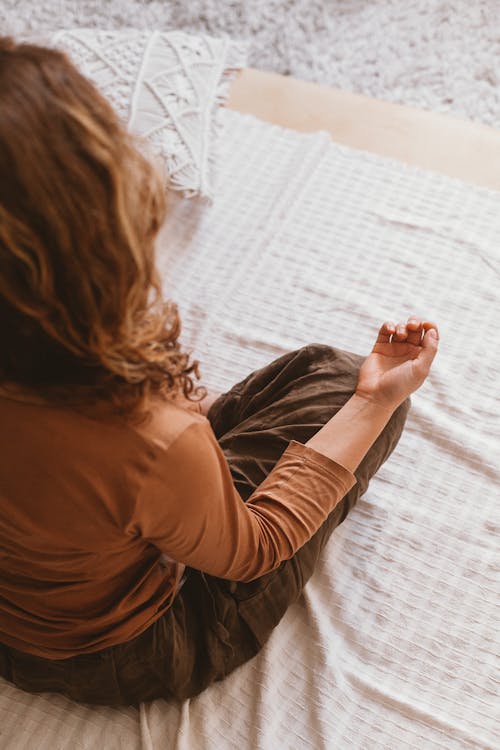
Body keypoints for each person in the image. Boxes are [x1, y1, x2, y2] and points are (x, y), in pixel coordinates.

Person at [0, 36, 439, 708]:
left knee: (316, 371)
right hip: (127, 651)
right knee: (346, 383)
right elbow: (257, 550)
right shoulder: (146, 436)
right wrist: (375, 403)